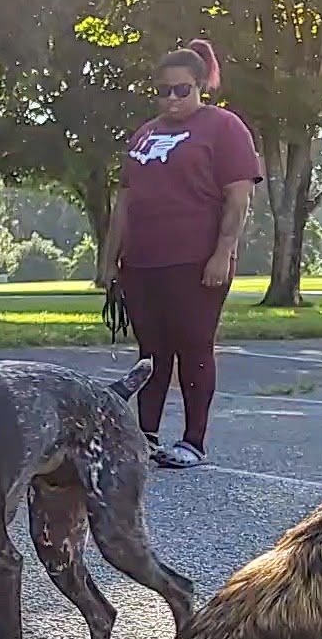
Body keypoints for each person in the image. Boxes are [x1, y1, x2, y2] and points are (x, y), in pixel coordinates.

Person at [100, 39, 261, 469]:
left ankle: (193, 441)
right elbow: (126, 201)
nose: (172, 98)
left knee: (193, 346)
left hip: (195, 261)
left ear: (200, 87)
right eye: (163, 90)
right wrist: (110, 259)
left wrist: (222, 253)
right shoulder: (145, 133)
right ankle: (145, 436)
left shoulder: (224, 128)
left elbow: (238, 198)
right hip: (142, 263)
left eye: (182, 89)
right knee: (151, 353)